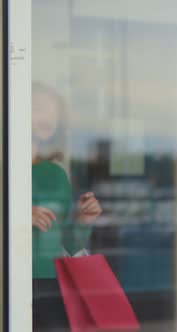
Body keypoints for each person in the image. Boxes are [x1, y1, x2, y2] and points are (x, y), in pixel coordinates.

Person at [32, 82, 102, 331]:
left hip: (53, 284)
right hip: (10, 279)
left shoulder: (56, 174)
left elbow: (69, 244)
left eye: (54, 112)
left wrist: (82, 220)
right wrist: (17, 214)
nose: (48, 116)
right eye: (39, 107)